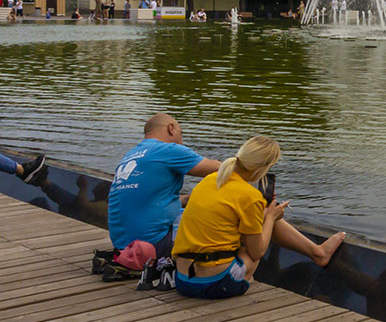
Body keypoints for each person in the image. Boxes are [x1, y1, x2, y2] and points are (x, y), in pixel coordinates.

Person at [171, 136, 345, 299]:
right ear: (263, 168)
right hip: (215, 285)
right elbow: (257, 252)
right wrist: (270, 218)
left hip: (184, 280)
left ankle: (318, 252)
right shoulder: (250, 196)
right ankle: (318, 254)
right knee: (258, 234)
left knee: (261, 218)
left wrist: (267, 215)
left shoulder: (211, 180)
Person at [107, 114, 222, 263]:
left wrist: (188, 198)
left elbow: (150, 199)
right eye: (181, 134)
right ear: (171, 129)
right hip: (153, 247)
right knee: (219, 215)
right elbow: (222, 169)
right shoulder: (168, 150)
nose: (181, 141)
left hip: (124, 248)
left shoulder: (131, 156)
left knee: (187, 209)